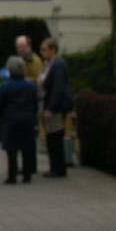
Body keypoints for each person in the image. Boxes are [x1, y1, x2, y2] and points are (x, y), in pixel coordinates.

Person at [0, 56, 38, 184]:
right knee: (26, 147)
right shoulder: (30, 85)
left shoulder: (5, 86)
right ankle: (27, 174)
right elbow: (35, 103)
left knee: (12, 149)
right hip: (27, 119)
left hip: (11, 120)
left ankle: (12, 176)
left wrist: (1, 116)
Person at [40, 38, 72, 177]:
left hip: (56, 107)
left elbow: (58, 88)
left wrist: (51, 109)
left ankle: (58, 168)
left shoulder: (57, 64)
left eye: (44, 49)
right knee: (52, 136)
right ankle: (55, 167)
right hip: (54, 105)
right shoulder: (51, 63)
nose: (42, 53)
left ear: (53, 49)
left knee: (55, 137)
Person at [15, 35, 43, 174]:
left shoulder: (34, 61)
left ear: (29, 46)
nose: (20, 49)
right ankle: (27, 164)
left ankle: (30, 166)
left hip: (31, 104)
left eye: (22, 46)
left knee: (29, 136)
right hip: (23, 103)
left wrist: (23, 80)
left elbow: (38, 81)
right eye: (18, 47)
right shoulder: (22, 60)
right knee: (24, 137)